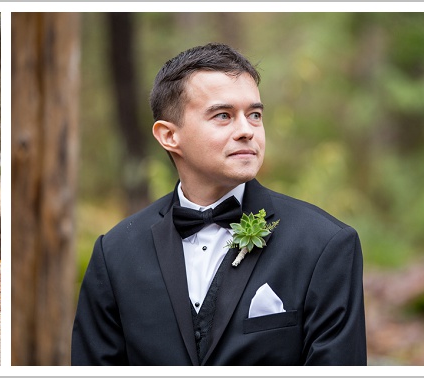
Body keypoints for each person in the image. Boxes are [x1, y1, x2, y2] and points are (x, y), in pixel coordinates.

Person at [72, 43, 367, 365]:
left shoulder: (324, 244)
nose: (246, 131)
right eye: (223, 115)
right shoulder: (115, 252)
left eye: (254, 115)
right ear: (169, 136)